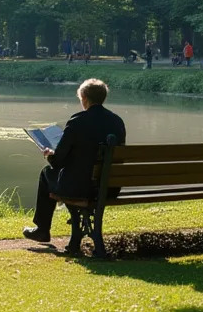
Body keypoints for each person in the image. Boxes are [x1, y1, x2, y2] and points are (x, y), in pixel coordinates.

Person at [23, 78, 127, 243]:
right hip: (108, 187)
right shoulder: (117, 121)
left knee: (46, 173)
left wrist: (50, 154)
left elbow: (58, 162)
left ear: (84, 98)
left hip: (80, 188)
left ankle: (42, 229)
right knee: (70, 172)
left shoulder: (77, 121)